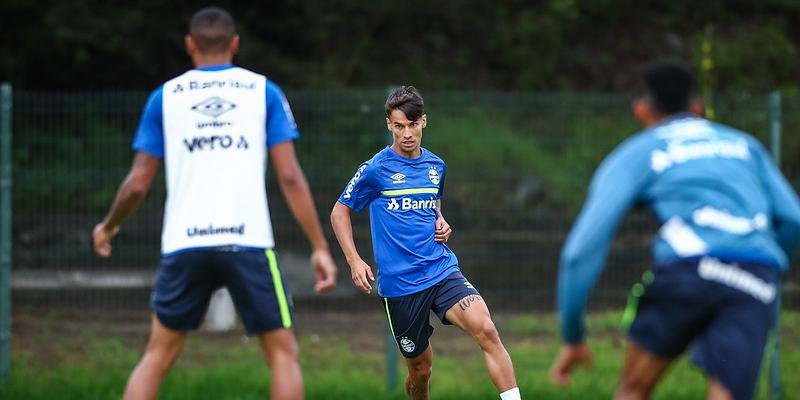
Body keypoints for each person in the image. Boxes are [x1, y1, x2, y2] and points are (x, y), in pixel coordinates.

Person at [92, 7, 337, 400]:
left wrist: (109, 225)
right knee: (283, 355)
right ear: (235, 44)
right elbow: (290, 175)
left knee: (157, 354)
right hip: (248, 241)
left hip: (184, 243)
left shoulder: (165, 98)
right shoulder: (263, 91)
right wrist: (320, 247)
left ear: (190, 45)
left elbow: (138, 183)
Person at [549, 61, 800, 400]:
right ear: (697, 110)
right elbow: (793, 220)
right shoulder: (746, 146)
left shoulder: (639, 152)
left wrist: (573, 335)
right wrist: (761, 262)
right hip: (753, 276)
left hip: (688, 269)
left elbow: (581, 251)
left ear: (641, 110)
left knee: (633, 390)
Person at [330, 86, 521, 400]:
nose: (407, 133)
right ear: (389, 125)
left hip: (441, 269)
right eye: (399, 126)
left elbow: (433, 206)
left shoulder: (436, 166)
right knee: (421, 371)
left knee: (485, 328)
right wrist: (354, 259)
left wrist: (440, 221)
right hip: (401, 285)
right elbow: (340, 212)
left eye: (413, 124)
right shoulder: (376, 170)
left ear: (424, 122)